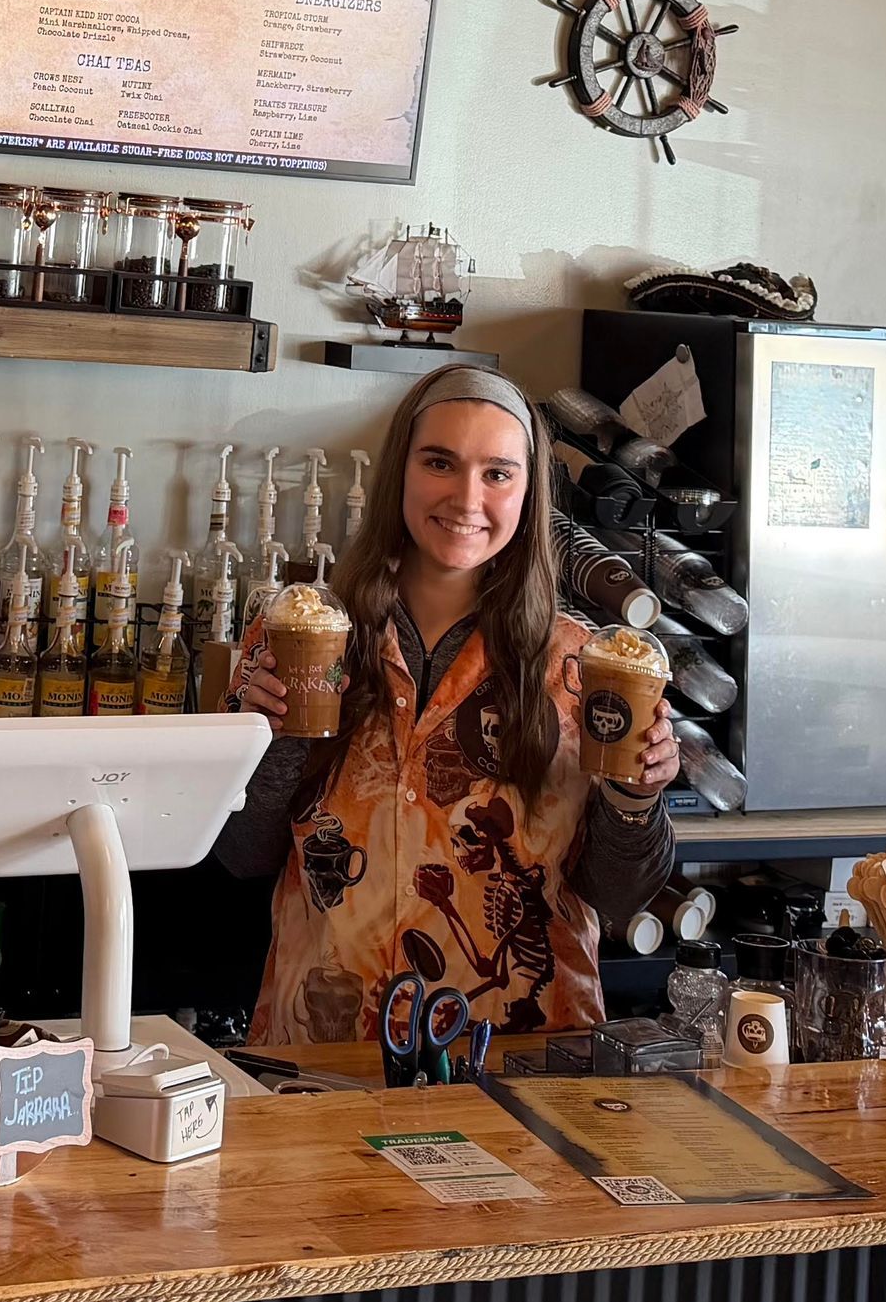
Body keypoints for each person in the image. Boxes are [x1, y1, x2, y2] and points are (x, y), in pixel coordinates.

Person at [224, 365, 676, 1040]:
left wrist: (639, 796)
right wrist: (264, 738)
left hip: (520, 1057)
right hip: (326, 1049)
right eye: (440, 462)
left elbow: (616, 896)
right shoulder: (296, 637)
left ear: (528, 493)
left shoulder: (587, 668)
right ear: (399, 472)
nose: (467, 498)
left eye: (498, 473)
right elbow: (242, 855)